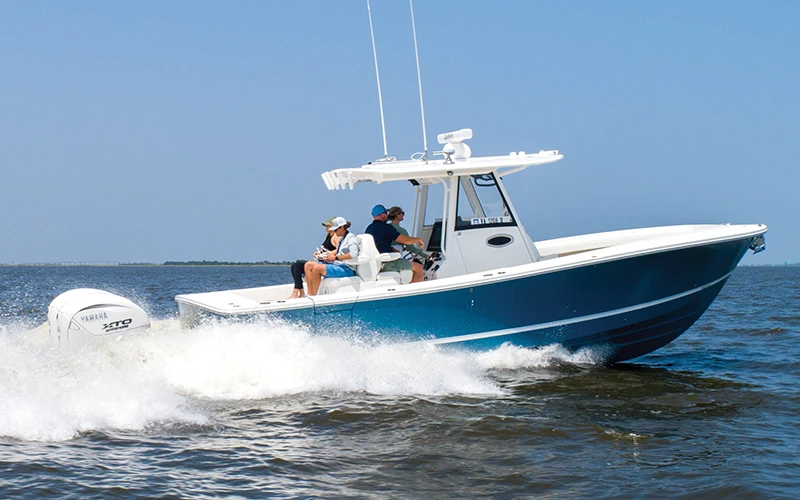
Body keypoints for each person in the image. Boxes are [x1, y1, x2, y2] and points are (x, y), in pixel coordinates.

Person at [365, 204, 425, 283]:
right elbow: (405, 240)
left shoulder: (369, 228)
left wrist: (391, 249)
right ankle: (414, 290)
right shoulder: (386, 227)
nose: (387, 215)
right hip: (387, 263)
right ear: (382, 215)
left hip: (376, 263)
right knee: (419, 268)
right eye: (386, 213)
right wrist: (418, 239)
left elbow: (378, 244)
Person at [304, 217, 360, 296]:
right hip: (337, 265)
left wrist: (336, 258)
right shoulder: (342, 239)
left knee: (317, 268)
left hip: (347, 268)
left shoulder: (351, 238)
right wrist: (328, 257)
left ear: (342, 227)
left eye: (336, 230)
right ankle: (309, 294)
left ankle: (313, 296)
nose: (334, 232)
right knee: (308, 265)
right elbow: (338, 253)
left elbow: (354, 254)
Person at [288, 217, 337, 299]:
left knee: (300, 265)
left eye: (328, 226)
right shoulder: (328, 236)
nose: (326, 227)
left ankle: (297, 292)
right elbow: (326, 248)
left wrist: (327, 254)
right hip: (322, 260)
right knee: (295, 266)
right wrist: (319, 252)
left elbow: (338, 250)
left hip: (328, 262)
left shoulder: (336, 237)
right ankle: (301, 292)